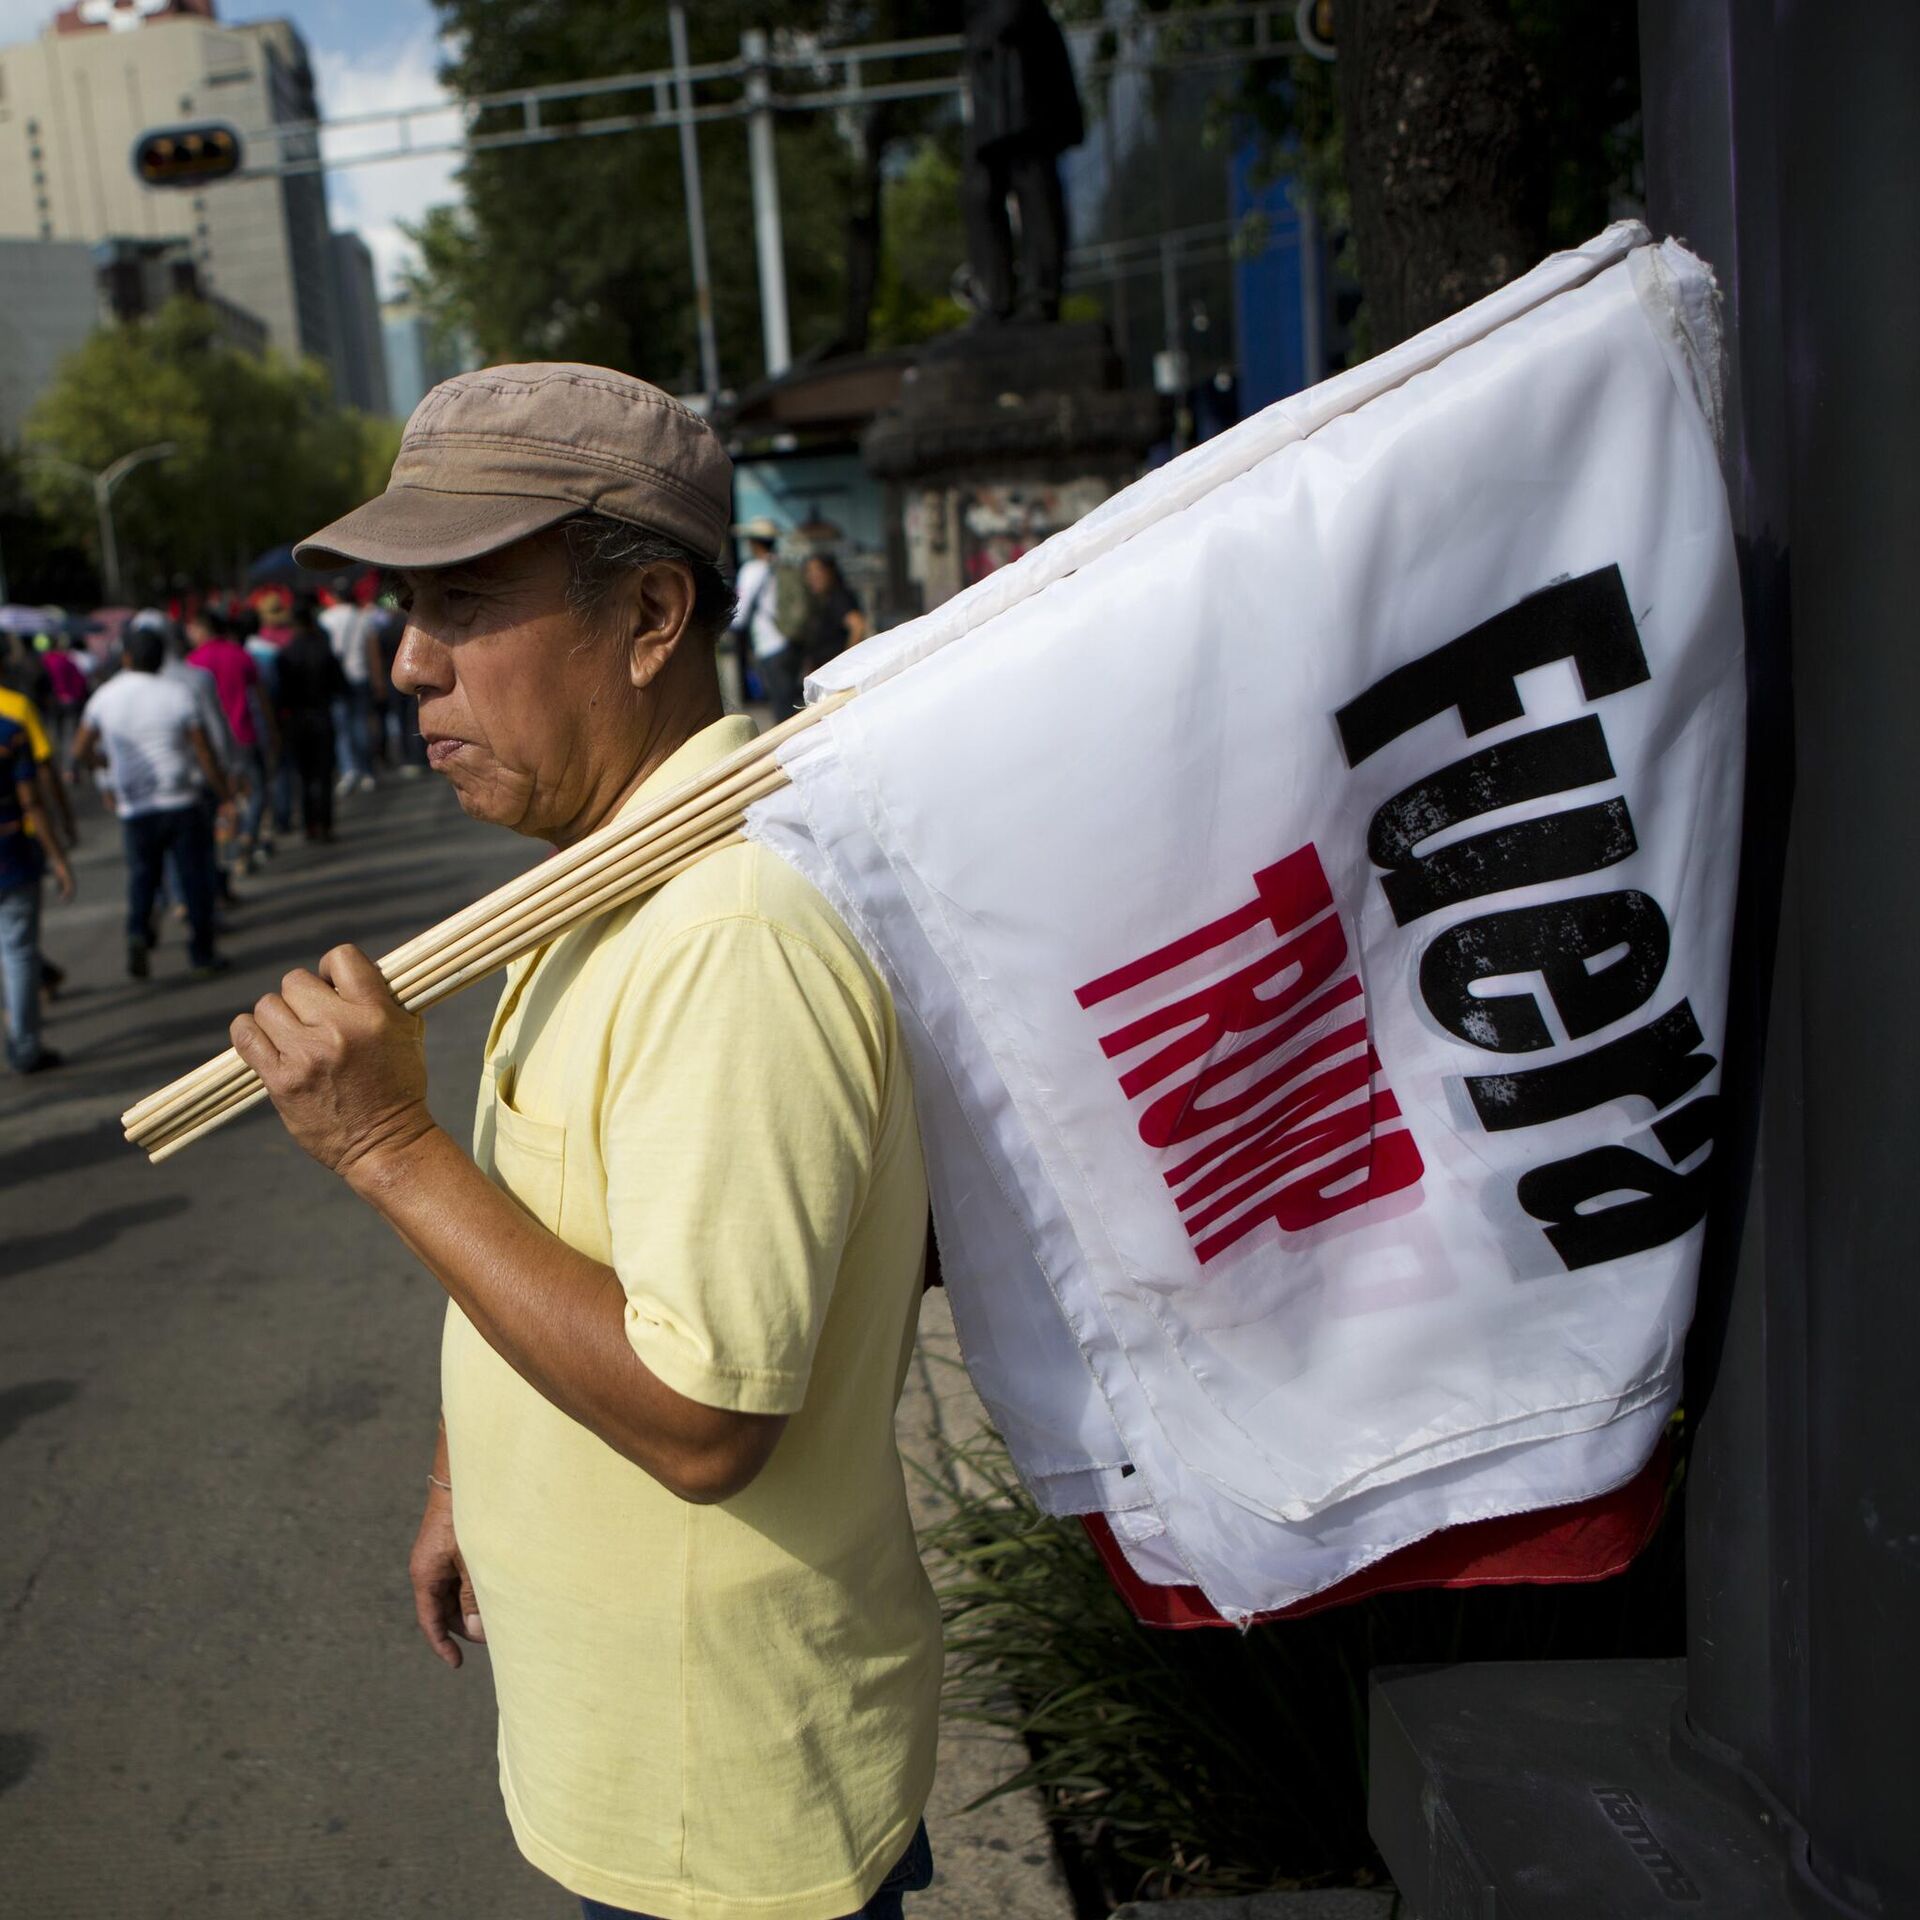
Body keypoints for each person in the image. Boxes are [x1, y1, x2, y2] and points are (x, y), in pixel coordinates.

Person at [232, 364, 941, 1920]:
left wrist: (387, 1147)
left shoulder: (730, 928)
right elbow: (570, 1234)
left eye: (465, 602)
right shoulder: (604, 871)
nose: (408, 662)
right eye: (408, 609)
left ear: (651, 615)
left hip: (719, 1795)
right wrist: (463, 1479)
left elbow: (702, 1419)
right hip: (641, 1747)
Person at [71, 624, 232, 979]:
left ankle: (138, 933)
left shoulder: (105, 696)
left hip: (135, 806)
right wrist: (224, 794)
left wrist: (105, 765)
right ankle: (202, 954)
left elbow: (80, 749)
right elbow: (203, 751)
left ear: (126, 657)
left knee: (143, 877)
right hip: (182, 800)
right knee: (194, 879)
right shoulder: (177, 693)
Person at [0, 710, 75, 1073]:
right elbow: (31, 802)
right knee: (18, 955)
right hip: (12, 860)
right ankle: (25, 1047)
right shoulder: (9, 733)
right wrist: (58, 858)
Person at [188, 608, 280, 870]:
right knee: (257, 790)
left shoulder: (193, 662)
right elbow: (261, 697)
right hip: (245, 733)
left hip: (213, 742)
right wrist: (272, 730)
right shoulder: (239, 654)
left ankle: (229, 852)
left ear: (204, 629)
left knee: (225, 797)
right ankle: (248, 836)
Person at [274, 596, 349, 842]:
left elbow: (281, 696)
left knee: (304, 776)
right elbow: (340, 685)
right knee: (324, 774)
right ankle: (325, 824)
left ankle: (310, 825)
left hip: (297, 720)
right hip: (321, 715)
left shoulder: (286, 654)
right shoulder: (323, 649)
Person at [729, 516, 802, 718]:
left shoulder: (752, 570)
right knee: (792, 702)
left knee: (782, 709)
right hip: (791, 638)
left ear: (753, 543)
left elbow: (739, 615)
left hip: (770, 643)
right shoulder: (783, 565)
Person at [319, 574, 385, 793]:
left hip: (336, 681)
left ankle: (349, 770)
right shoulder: (363, 617)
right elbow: (373, 652)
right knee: (361, 725)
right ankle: (368, 771)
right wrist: (378, 680)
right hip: (360, 675)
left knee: (342, 728)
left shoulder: (326, 619)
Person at [798, 552, 870, 676]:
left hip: (837, 674)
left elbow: (858, 626)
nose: (813, 577)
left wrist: (844, 665)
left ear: (830, 572)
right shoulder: (821, 601)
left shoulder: (839, 598)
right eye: (808, 572)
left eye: (818, 571)